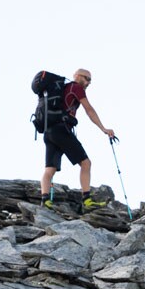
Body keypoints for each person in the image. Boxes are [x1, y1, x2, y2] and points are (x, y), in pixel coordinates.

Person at [41, 68, 115, 209]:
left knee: (50, 169)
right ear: (78, 76)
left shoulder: (60, 89)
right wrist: (103, 128)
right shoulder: (76, 87)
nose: (89, 83)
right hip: (62, 130)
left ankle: (45, 201)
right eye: (87, 79)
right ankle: (87, 200)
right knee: (86, 163)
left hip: (49, 131)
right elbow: (89, 109)